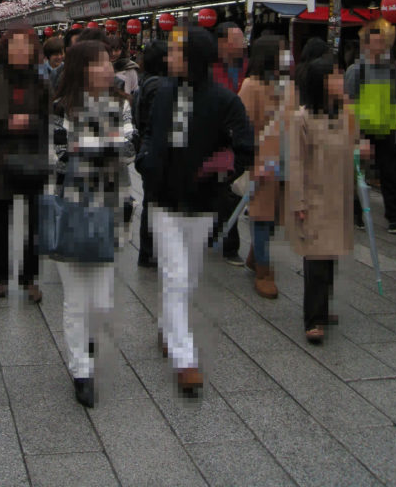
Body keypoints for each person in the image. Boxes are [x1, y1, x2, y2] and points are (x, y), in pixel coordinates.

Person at [141, 25, 253, 394]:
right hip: (163, 199)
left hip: (203, 202)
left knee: (186, 275)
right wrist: (146, 161)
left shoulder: (225, 101)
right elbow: (148, 132)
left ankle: (165, 324)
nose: (168, 58)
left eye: (175, 53)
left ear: (192, 60)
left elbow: (245, 146)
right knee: (175, 274)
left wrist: (223, 171)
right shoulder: (162, 91)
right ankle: (184, 357)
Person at [50, 39, 126, 408]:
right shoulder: (59, 108)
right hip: (71, 210)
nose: (109, 68)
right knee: (76, 299)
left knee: (102, 299)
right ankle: (81, 369)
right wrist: (105, 145)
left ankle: (88, 343)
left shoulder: (121, 104)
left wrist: (93, 145)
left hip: (109, 211)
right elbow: (62, 155)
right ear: (82, 69)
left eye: (108, 61)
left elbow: (130, 147)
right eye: (99, 63)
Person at [288, 54, 368, 343]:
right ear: (321, 83)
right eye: (335, 76)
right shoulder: (303, 118)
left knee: (330, 254)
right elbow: (296, 163)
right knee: (317, 258)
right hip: (314, 196)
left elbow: (355, 144)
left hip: (338, 195)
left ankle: (323, 307)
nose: (340, 81)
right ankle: (313, 317)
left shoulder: (343, 114)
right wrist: (298, 202)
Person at [0, 26, 50, 302]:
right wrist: (5, 124)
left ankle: (30, 278)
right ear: (6, 50)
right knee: (1, 220)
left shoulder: (42, 82)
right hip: (2, 155)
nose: (21, 51)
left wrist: (31, 122)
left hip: (33, 154)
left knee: (34, 222)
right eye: (15, 46)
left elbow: (51, 119)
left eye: (26, 46)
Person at [345, 19, 396, 234]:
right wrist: (356, 134)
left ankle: (394, 215)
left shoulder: (388, 70)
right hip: (363, 130)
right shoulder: (356, 71)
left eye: (382, 42)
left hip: (385, 130)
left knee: (390, 174)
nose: (380, 46)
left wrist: (393, 125)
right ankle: (352, 212)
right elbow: (349, 103)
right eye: (375, 42)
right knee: (355, 174)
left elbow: (393, 100)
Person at [239, 34, 289, 300]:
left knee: (275, 214)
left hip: (284, 158)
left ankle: (254, 255)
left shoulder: (283, 84)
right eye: (282, 50)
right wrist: (251, 159)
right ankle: (263, 269)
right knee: (262, 214)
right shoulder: (251, 85)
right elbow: (243, 127)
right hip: (262, 161)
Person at [209, 21, 248, 264]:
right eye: (238, 39)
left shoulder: (248, 66)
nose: (243, 44)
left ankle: (225, 238)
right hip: (216, 138)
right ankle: (228, 243)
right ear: (223, 42)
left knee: (226, 189)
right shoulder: (208, 68)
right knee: (222, 189)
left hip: (242, 138)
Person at [132, 40, 168, 267]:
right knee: (155, 200)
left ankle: (149, 250)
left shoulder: (146, 82)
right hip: (156, 149)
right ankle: (149, 250)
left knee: (152, 199)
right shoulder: (158, 86)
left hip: (147, 147)